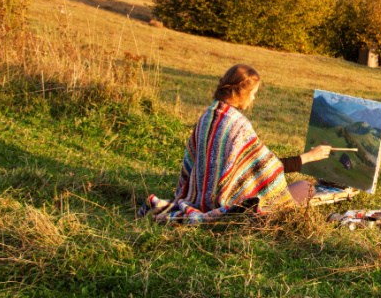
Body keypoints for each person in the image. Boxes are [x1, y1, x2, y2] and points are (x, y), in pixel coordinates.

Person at [139, 64, 331, 223]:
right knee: (306, 187)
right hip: (228, 202)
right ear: (240, 91)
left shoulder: (208, 115)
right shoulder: (238, 125)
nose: (254, 98)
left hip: (197, 198)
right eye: (253, 93)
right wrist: (309, 157)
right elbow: (266, 169)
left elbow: (192, 161)